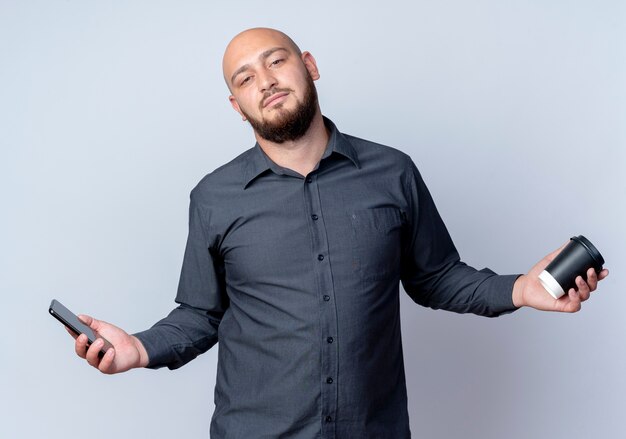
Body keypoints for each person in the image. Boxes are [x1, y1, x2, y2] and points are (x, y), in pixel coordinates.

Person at [70, 28, 609, 438]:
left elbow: (438, 277)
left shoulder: (392, 172)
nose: (266, 81)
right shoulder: (213, 197)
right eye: (245, 78)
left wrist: (521, 289)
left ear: (309, 66)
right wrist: (138, 348)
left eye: (276, 61)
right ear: (237, 107)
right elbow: (200, 313)